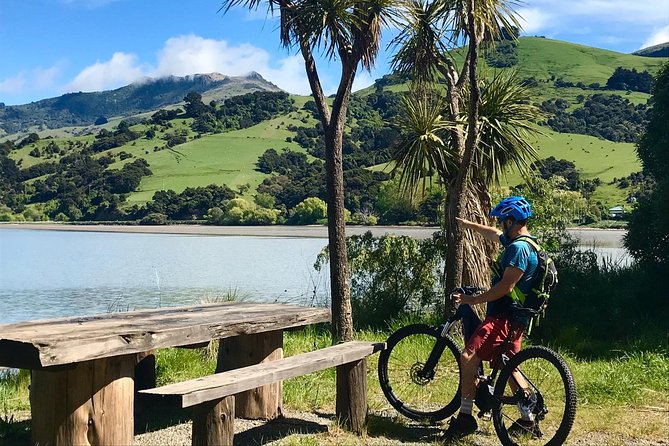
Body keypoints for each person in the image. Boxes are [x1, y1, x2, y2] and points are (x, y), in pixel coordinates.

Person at [444, 195, 541, 441]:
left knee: (467, 357)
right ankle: (527, 420)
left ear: (512, 221)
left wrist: (471, 300)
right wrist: (468, 225)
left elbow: (505, 287)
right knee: (507, 366)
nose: (500, 225)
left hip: (502, 317)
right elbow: (491, 233)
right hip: (516, 319)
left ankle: (465, 418)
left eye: (503, 221)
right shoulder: (527, 243)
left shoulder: (518, 249)